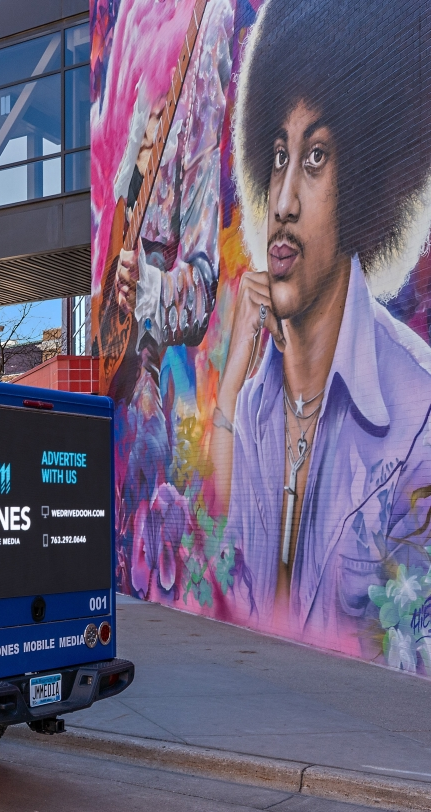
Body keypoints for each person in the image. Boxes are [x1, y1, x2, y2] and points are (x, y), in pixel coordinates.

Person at [216, 0, 431, 658]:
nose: (282, 201)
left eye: (315, 158)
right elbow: (231, 577)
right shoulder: (256, 404)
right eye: (279, 155)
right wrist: (231, 383)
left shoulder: (416, 411)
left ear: (364, 186)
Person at [103, 0, 233, 597]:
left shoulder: (203, 45)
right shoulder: (125, 40)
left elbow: (202, 290)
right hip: (117, 398)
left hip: (146, 409)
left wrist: (150, 286)